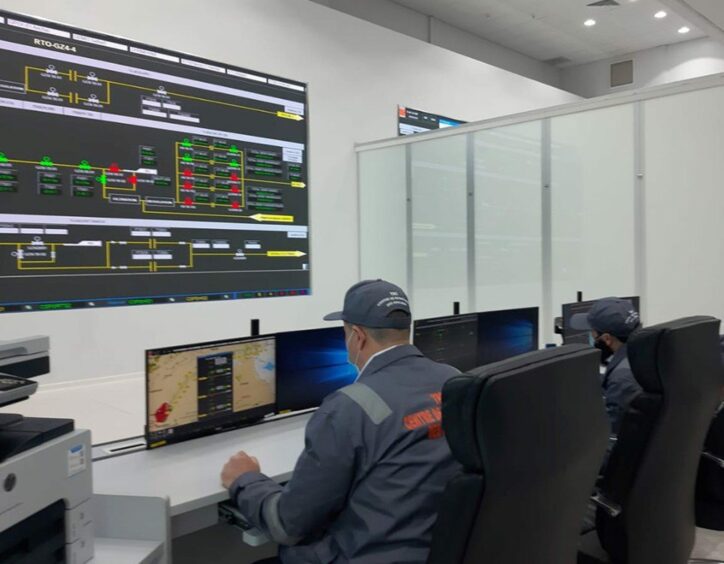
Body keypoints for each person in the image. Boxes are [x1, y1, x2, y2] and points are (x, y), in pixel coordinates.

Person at [220, 279, 460, 563]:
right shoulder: (455, 381)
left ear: (357, 336)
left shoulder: (347, 408)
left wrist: (246, 480)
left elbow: (287, 524)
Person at [570, 297, 642, 436]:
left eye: (593, 332)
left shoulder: (622, 379)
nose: (591, 336)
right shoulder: (641, 355)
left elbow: (608, 440)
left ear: (607, 339)